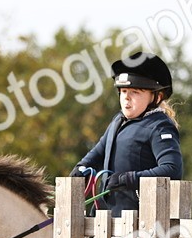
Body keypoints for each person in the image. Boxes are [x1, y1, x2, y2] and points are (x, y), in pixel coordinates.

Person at [71, 53, 183, 217]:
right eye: (123, 91)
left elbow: (172, 169)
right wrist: (81, 168)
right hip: (104, 218)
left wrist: (129, 179)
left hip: (139, 223)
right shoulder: (117, 121)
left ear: (156, 96)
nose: (126, 98)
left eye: (135, 92)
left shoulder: (160, 126)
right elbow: (97, 154)